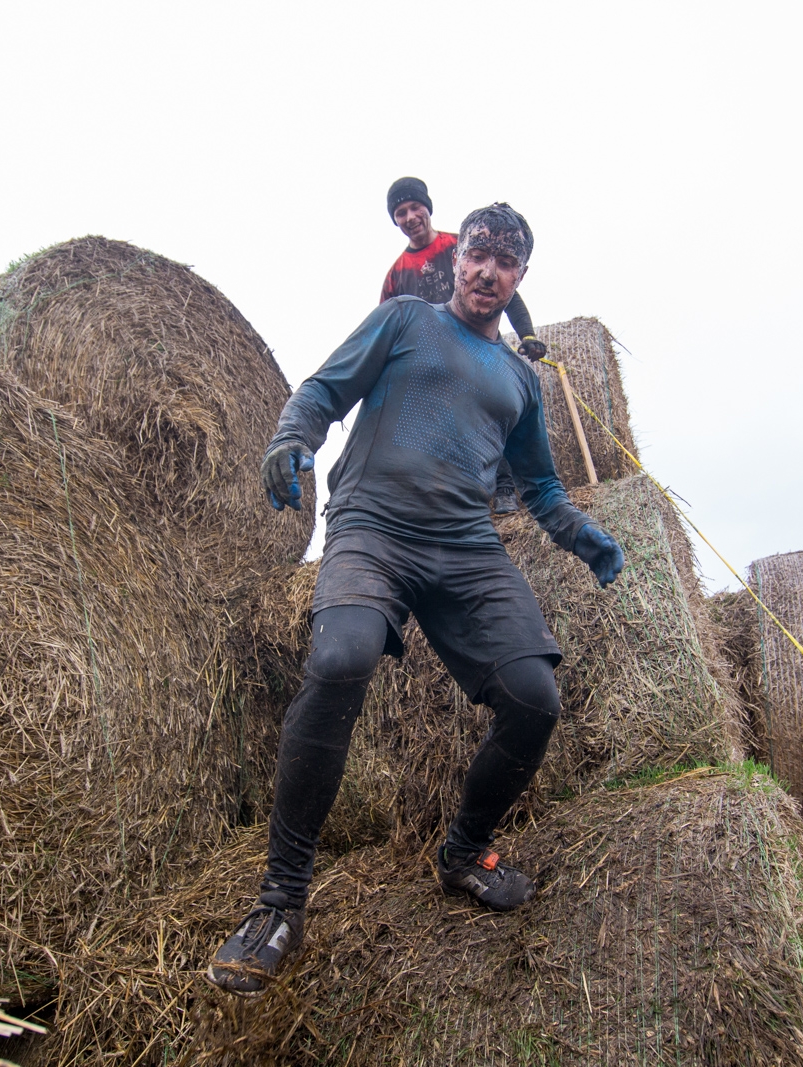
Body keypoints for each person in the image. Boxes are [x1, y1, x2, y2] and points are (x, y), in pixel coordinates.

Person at [206, 202, 626, 996]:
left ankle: (464, 850)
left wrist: (583, 536)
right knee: (342, 655)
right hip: (372, 526)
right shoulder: (403, 319)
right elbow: (324, 390)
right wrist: (290, 437)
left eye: (505, 261)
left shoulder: (520, 380)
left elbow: (537, 484)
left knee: (536, 697)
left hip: (465, 546)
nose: (486, 271)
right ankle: (279, 901)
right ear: (455, 257)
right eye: (476, 254)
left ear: (521, 277)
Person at [380, 177, 547, 513]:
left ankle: (503, 489)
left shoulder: (465, 245)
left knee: (491, 411)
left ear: (427, 208)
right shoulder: (396, 274)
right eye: (400, 212)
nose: (410, 216)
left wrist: (527, 334)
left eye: (415, 207)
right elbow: (388, 329)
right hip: (430, 360)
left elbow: (507, 293)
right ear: (395, 220)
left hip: (477, 344)